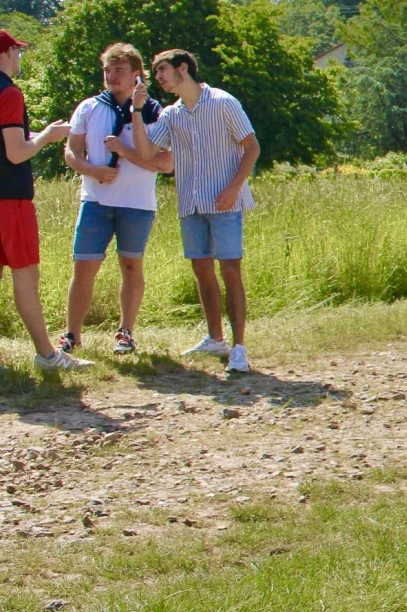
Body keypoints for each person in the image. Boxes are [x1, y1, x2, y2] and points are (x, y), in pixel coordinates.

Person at [136, 49, 260, 373]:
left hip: (224, 202)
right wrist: (136, 110)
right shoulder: (170, 115)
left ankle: (239, 348)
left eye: (162, 70)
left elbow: (252, 146)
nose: (158, 77)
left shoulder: (223, 102)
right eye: (156, 71)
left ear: (182, 68)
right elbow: (148, 151)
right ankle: (215, 338)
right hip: (190, 203)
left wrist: (234, 187)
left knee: (230, 270)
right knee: (202, 270)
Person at [61, 42, 166, 355]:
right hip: (95, 200)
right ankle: (71, 334)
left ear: (136, 74)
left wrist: (126, 153)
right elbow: (71, 151)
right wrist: (91, 169)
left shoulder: (154, 112)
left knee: (132, 266)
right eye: (107, 70)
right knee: (83, 268)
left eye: (118, 71)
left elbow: (164, 162)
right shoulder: (89, 107)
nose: (111, 76)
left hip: (137, 202)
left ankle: (126, 331)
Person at [0, 29, 90, 372]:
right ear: (7, 52)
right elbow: (16, 152)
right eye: (18, 52)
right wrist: (48, 138)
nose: (20, 58)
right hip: (11, 201)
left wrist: (39, 136)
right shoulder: (9, 93)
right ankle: (47, 355)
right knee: (26, 277)